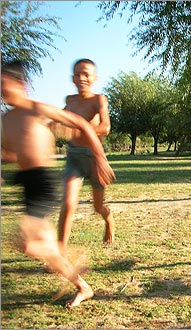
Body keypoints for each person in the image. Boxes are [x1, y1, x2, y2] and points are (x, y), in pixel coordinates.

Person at [1, 60, 115, 308]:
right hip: (32, 181)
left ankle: (79, 276)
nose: (2, 91)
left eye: (4, 85)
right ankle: (70, 266)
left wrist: (99, 156)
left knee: (31, 241)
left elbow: (89, 125)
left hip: (54, 175)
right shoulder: (8, 117)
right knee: (43, 233)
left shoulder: (39, 108)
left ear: (20, 84)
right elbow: (9, 151)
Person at [58, 59, 114, 251]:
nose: (81, 78)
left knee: (98, 207)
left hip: (94, 158)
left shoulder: (99, 99)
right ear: (72, 78)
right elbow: (59, 119)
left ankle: (109, 220)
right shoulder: (70, 101)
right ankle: (61, 252)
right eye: (77, 74)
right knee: (68, 203)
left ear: (94, 78)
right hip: (74, 157)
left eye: (86, 74)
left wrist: (81, 131)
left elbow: (105, 127)